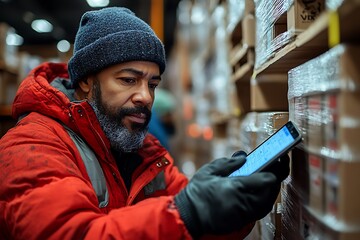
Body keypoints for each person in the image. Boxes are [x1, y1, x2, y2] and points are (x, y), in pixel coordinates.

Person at [0, 7, 289, 240]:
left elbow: (189, 228)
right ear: (86, 80)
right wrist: (189, 210)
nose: (145, 96)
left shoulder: (145, 152)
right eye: (128, 80)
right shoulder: (30, 146)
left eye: (152, 84)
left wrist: (237, 208)